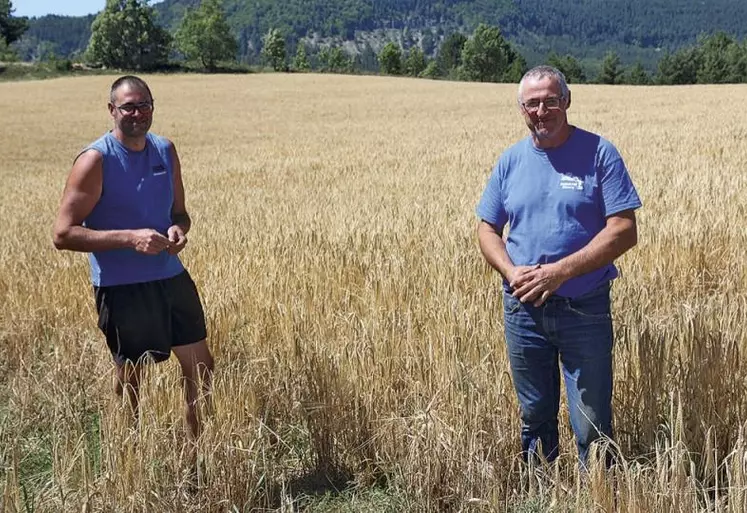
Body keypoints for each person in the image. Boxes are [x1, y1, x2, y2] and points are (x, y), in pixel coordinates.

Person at [476, 65, 641, 466]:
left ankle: (598, 498)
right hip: (523, 308)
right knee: (534, 417)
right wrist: (513, 273)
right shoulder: (511, 161)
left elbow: (624, 230)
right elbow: (486, 229)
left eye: (550, 100)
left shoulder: (599, 152)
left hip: (582, 306)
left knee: (592, 422)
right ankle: (541, 495)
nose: (541, 110)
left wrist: (560, 272)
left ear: (566, 101)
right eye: (532, 103)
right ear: (521, 110)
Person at [53, 75, 214, 448]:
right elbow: (62, 234)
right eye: (128, 106)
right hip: (121, 286)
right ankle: (129, 454)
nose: (137, 113)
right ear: (112, 110)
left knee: (201, 366)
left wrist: (178, 230)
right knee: (131, 378)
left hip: (171, 276)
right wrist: (130, 238)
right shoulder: (95, 160)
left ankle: (200, 453)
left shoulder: (165, 150)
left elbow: (180, 213)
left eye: (144, 105)